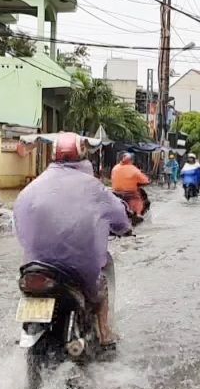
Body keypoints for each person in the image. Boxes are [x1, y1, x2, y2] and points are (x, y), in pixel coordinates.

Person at [13, 132, 133, 347]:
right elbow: (121, 221)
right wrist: (124, 229)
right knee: (103, 277)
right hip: (77, 271)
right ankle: (105, 334)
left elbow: (18, 227)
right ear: (83, 155)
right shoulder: (94, 187)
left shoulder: (31, 188)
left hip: (33, 268)